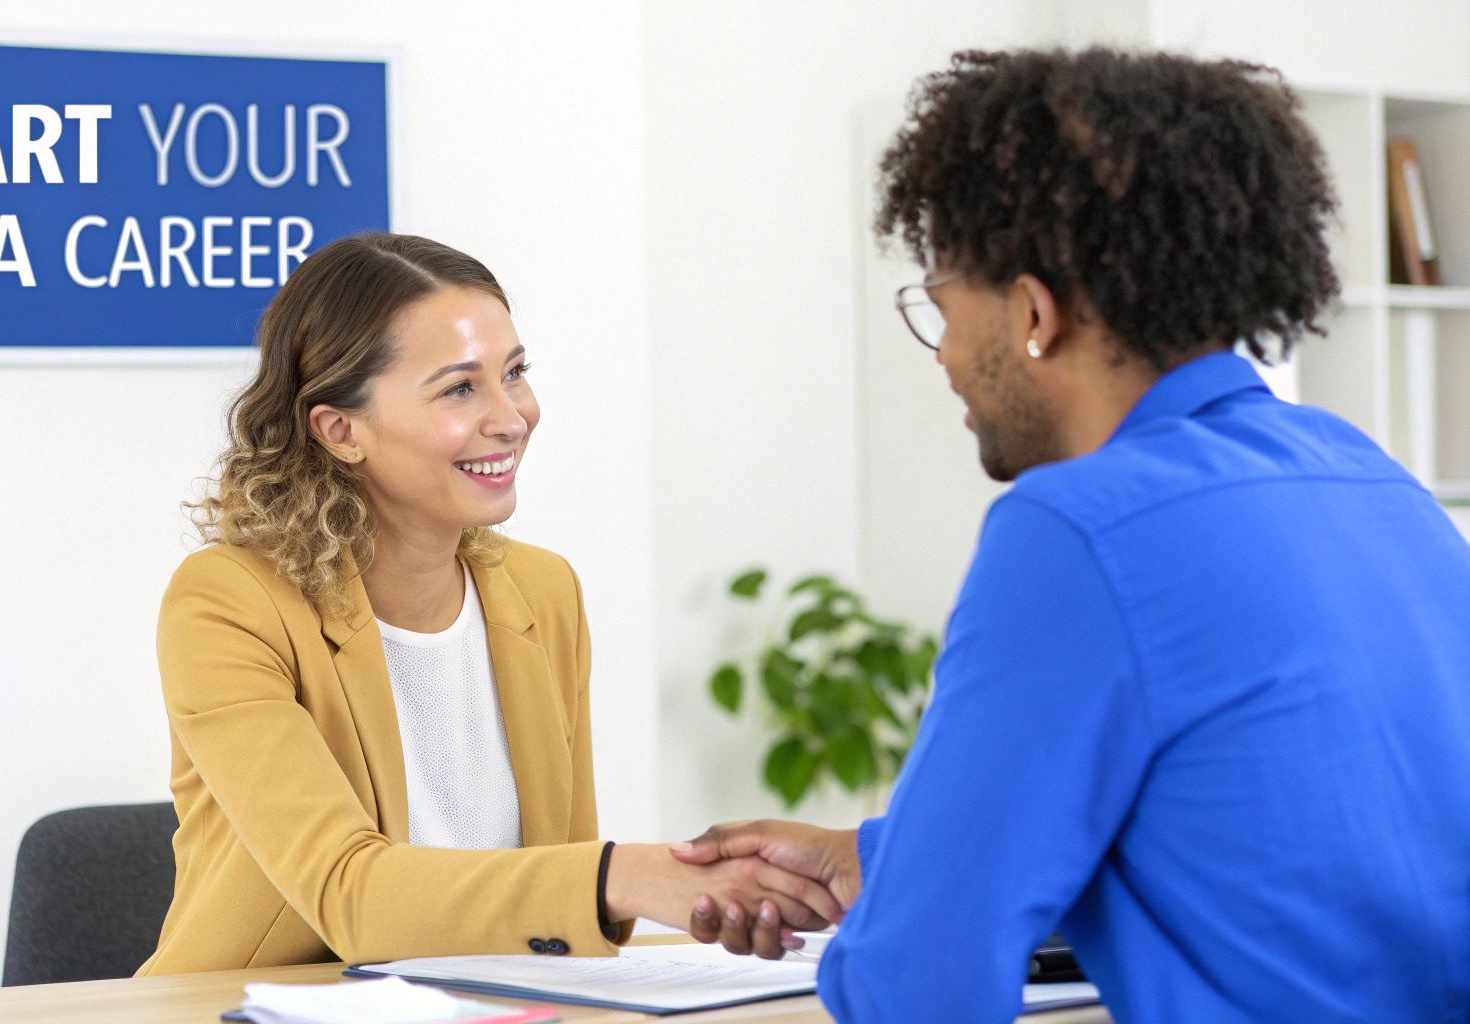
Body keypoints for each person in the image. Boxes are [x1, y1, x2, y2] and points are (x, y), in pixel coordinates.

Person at [672, 49, 1470, 1022]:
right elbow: (1263, 832)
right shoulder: (1361, 476)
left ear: (1031, 311)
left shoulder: (1078, 529)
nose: (949, 362)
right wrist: (873, 858)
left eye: (942, 309)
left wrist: (886, 933)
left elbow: (916, 987)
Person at [139, 232, 841, 973]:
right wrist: (627, 876)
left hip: (495, 1002)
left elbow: (556, 898)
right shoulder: (228, 602)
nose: (512, 416)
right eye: (460, 388)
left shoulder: (544, 591)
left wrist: (699, 883)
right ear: (341, 430)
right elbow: (350, 894)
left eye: (515, 373)